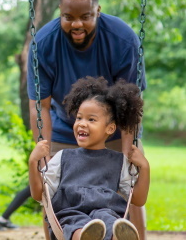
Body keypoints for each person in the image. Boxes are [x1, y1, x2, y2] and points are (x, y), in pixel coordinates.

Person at [0, 0, 147, 239]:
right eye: (68, 17)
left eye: (85, 16)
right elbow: (39, 105)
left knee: (128, 187)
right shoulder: (44, 44)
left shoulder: (122, 40)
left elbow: (130, 102)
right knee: (52, 196)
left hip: (116, 125)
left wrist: (128, 154)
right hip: (67, 129)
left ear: (98, 11)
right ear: (59, 13)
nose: (77, 24)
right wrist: (42, 149)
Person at [28, 76, 150, 240]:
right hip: (71, 212)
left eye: (91, 119)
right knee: (76, 222)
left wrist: (145, 167)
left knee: (109, 219)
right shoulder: (62, 157)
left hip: (105, 210)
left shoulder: (118, 162)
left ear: (110, 128)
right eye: (79, 118)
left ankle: (117, 236)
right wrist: (33, 162)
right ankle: (86, 236)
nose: (82, 123)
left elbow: (138, 199)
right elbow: (38, 194)